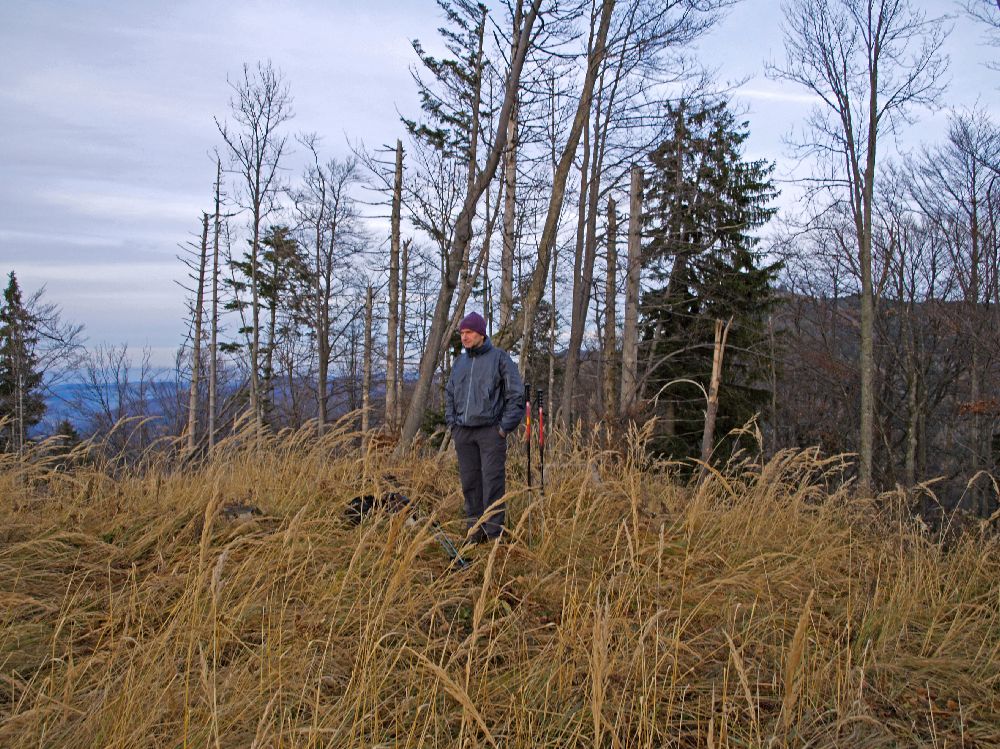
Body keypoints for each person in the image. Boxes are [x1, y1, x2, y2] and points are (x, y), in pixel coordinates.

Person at [445, 311, 525, 544]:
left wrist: (502, 429)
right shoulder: (460, 362)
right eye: (461, 333)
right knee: (470, 482)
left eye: (468, 332)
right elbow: (450, 393)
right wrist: (452, 425)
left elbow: (516, 395)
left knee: (492, 483)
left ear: (481, 333)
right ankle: (474, 532)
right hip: (464, 432)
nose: (464, 337)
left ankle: (493, 536)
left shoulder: (499, 358)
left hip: (491, 432)